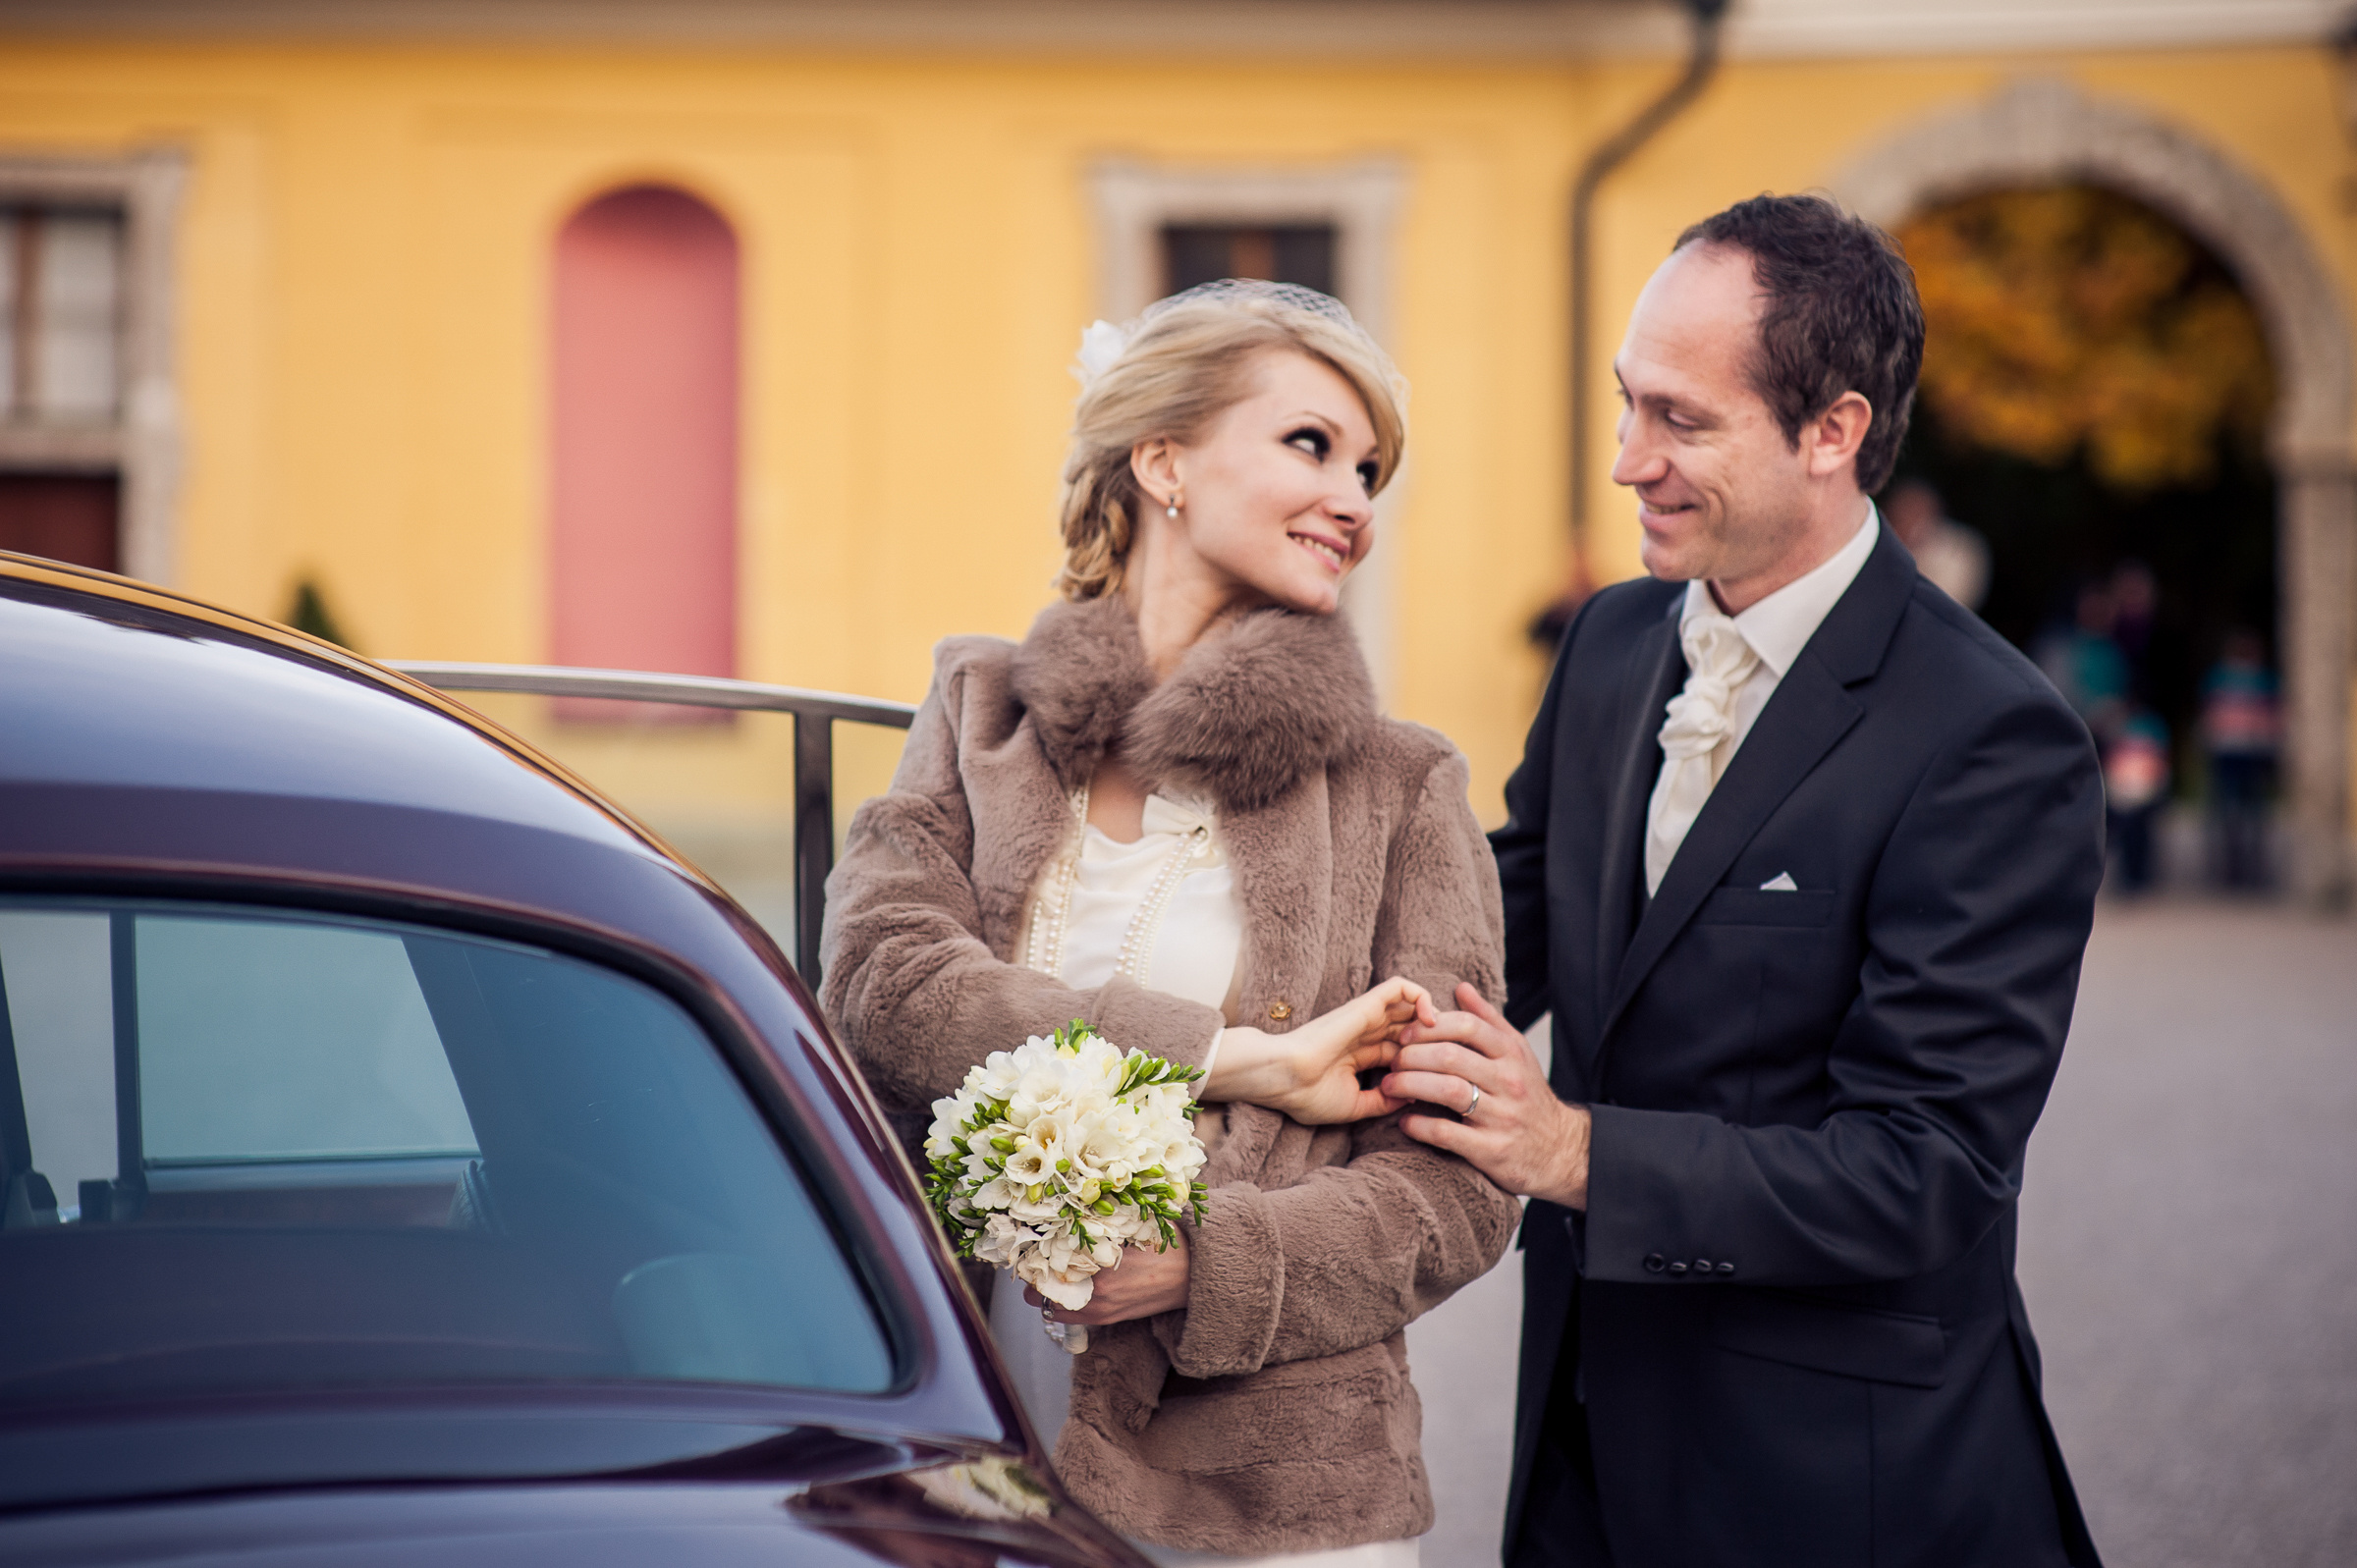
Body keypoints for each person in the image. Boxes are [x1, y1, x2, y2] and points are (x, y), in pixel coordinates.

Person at [1381, 195, 2107, 1565]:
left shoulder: (1995, 739)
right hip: (1584, 1444)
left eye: (1680, 421)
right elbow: (1488, 929)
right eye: (1625, 406)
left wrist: (1574, 1151)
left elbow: (1926, 1169)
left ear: (1832, 432)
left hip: (1841, 1483)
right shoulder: (1607, 643)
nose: (1626, 461)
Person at [820, 280, 1520, 1567]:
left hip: (1274, 1497)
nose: (1356, 500)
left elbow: (1456, 1187)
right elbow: (887, 979)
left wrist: (1208, 1260)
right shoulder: (980, 710)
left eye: (1372, 468)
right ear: (1163, 461)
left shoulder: (1403, 785)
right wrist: (1240, 1058)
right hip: (979, 1437)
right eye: (1311, 444)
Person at [2200, 628, 2280, 890]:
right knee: (2237, 815)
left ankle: (2241, 872)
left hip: (2239, 754)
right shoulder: (2249, 679)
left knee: (2242, 815)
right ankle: (2238, 872)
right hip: (2238, 754)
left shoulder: (2226, 678)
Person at [1883, 476, 1990, 611]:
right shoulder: (1884, 544)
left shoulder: (1959, 550)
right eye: (1898, 514)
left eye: (1914, 512)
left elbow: (1946, 601)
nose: (1904, 520)